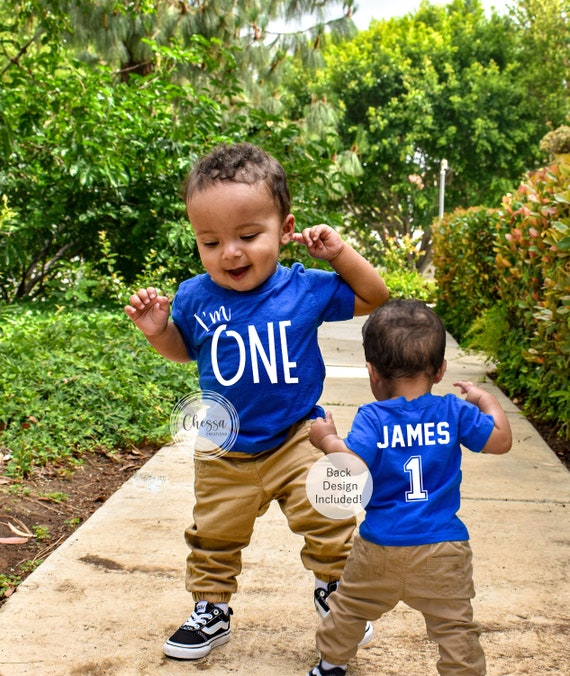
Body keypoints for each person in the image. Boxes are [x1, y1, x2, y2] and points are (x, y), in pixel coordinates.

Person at [124, 142, 389, 660]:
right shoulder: (194, 296)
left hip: (298, 436)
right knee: (213, 534)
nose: (230, 253)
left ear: (285, 229)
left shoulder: (305, 288)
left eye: (248, 236)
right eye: (211, 241)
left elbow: (374, 295)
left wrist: (339, 254)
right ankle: (211, 608)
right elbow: (186, 351)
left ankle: (337, 593)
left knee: (331, 516)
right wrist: (159, 332)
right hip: (225, 447)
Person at [307, 299, 512, 676]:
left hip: (380, 546)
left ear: (373, 373)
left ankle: (331, 665)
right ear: (439, 372)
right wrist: (485, 400)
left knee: (349, 609)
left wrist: (327, 439)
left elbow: (351, 464)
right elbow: (500, 440)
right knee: (455, 626)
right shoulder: (455, 411)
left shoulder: (373, 417)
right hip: (443, 549)